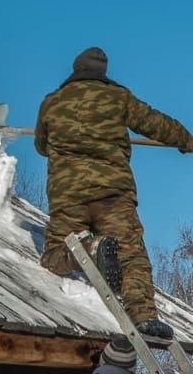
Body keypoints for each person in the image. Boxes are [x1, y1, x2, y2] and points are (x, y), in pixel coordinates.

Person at [34, 46, 193, 343]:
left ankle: (88, 250)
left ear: (75, 70)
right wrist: (186, 140)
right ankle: (145, 318)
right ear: (102, 73)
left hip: (67, 197)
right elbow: (155, 123)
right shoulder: (118, 98)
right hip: (112, 195)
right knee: (131, 255)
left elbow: (41, 147)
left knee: (53, 256)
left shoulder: (51, 103)